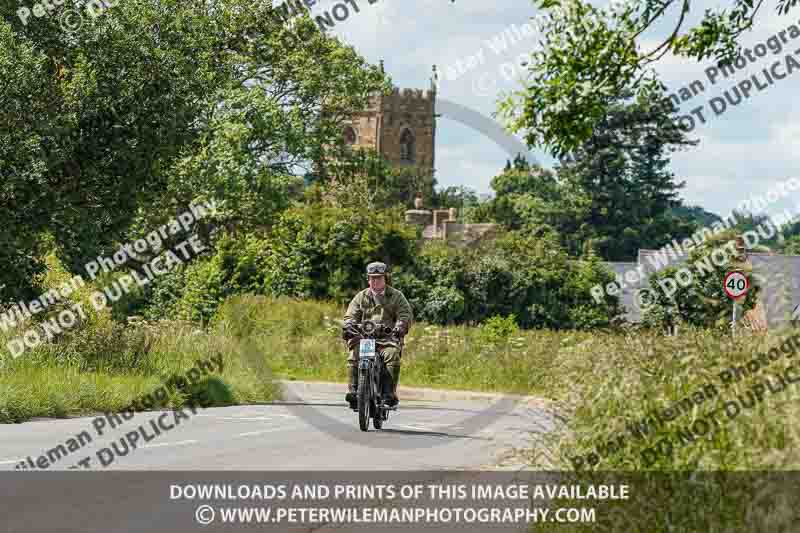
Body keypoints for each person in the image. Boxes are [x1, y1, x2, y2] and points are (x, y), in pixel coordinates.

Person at [341, 261, 413, 409]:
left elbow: (405, 314)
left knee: (392, 355)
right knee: (354, 354)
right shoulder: (361, 296)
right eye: (372, 278)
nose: (375, 281)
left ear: (385, 278)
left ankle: (388, 394)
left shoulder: (396, 296)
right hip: (365, 338)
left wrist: (400, 326)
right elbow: (350, 315)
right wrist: (348, 325)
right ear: (368, 280)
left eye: (379, 278)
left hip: (387, 338)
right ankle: (354, 392)